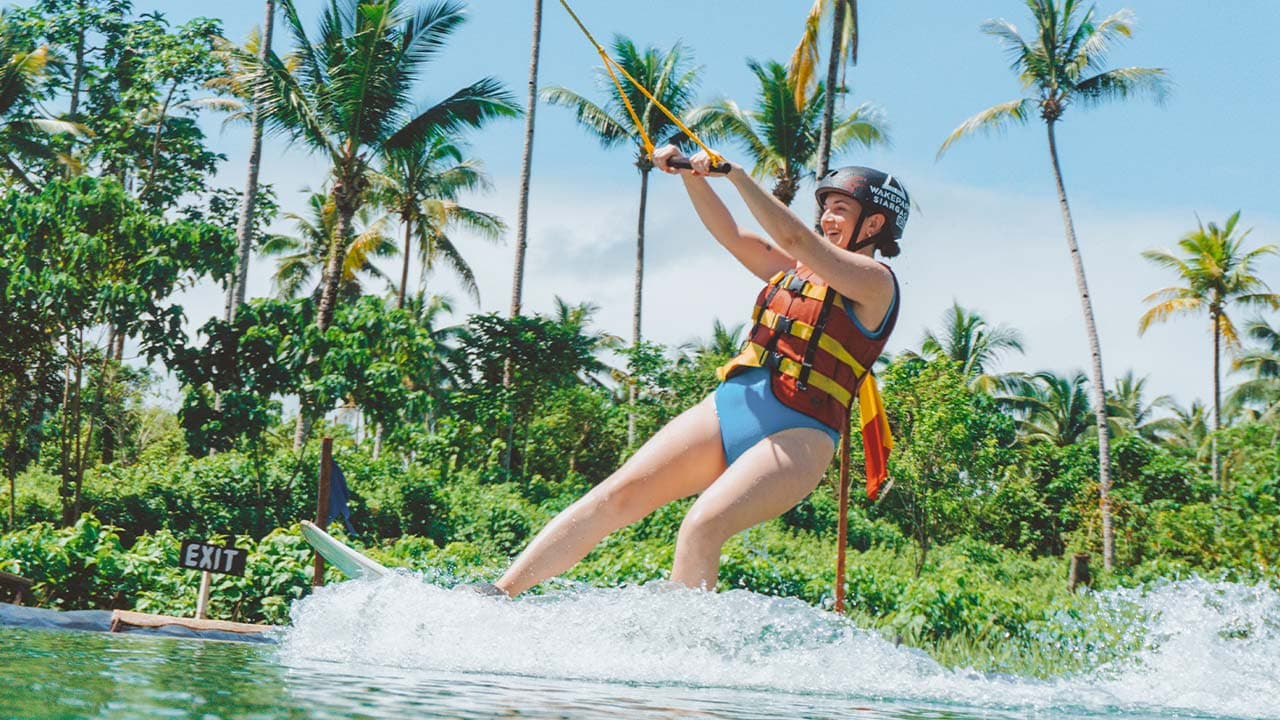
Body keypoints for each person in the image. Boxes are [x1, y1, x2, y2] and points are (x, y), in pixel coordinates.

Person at [468, 144, 908, 598]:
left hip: (800, 434)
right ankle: (500, 594)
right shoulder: (795, 271)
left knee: (703, 524)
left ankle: (677, 635)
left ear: (873, 224)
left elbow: (798, 240)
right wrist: (690, 176)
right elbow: (731, 235)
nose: (827, 218)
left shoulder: (876, 285)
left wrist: (737, 175)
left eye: (840, 209)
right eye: (826, 208)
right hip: (731, 407)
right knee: (618, 494)